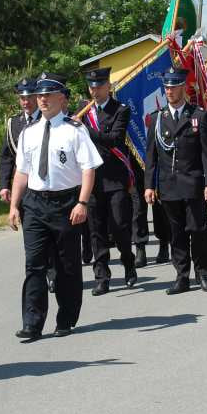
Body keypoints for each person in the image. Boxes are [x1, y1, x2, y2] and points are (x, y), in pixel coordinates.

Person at [8, 72, 102, 340]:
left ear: (62, 98)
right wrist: (15, 205)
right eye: (39, 95)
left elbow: (88, 169)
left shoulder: (75, 130)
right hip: (35, 204)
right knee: (34, 264)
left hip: (66, 203)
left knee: (66, 265)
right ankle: (32, 323)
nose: (42, 100)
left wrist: (82, 202)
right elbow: (22, 172)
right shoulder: (28, 132)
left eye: (48, 95)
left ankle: (66, 317)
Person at [144, 67, 207, 295]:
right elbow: (151, 156)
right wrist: (149, 185)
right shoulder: (157, 119)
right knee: (177, 234)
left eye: (174, 87)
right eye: (167, 87)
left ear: (183, 88)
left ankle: (203, 272)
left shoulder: (199, 116)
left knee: (198, 229)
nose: (170, 91)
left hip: (193, 183)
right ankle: (182, 275)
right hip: (168, 185)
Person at [79, 68, 137, 296]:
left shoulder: (121, 110)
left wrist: (86, 130)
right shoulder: (83, 112)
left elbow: (114, 139)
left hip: (115, 179)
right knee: (96, 231)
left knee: (121, 227)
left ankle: (128, 263)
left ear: (108, 87)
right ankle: (101, 276)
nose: (95, 90)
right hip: (92, 181)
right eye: (91, 86)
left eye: (99, 86)